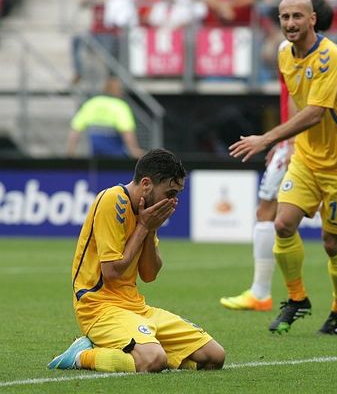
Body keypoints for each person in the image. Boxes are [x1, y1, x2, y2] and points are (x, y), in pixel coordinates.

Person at [220, 0, 337, 315]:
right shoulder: (284, 54)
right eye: (284, 17)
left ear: (313, 19)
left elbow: (315, 111)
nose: (290, 23)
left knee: (335, 241)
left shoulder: (331, 57)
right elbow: (295, 98)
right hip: (304, 153)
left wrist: (270, 137)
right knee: (280, 221)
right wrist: (287, 140)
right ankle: (294, 298)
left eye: (297, 17)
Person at [48, 149, 225, 372]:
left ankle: (147, 350)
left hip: (135, 307)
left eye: (177, 195)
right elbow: (112, 271)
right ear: (146, 184)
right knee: (153, 360)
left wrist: (150, 230)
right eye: (170, 193)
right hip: (99, 307)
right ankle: (81, 355)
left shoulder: (147, 214)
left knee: (214, 356)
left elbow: (149, 275)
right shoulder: (113, 200)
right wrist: (142, 227)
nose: (173, 201)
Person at [66, 77, 145, 159]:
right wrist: (134, 150)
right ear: (117, 90)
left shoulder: (91, 103)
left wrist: (70, 152)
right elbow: (127, 132)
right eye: (121, 89)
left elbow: (75, 130)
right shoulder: (120, 106)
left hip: (96, 155)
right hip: (116, 155)